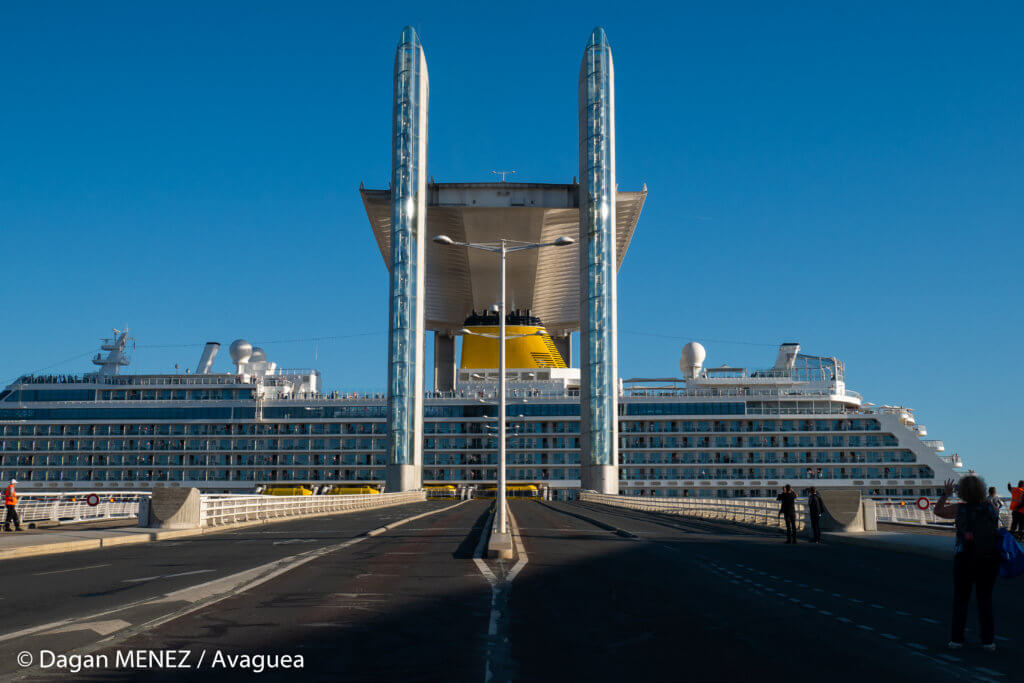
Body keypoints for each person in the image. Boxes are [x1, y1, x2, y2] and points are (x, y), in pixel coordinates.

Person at [934, 475, 999, 651]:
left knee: (961, 599)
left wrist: (945, 494)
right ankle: (988, 641)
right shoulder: (991, 508)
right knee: (985, 599)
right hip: (989, 558)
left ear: (961, 492)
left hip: (965, 557)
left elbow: (938, 511)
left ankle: (957, 640)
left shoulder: (959, 509)